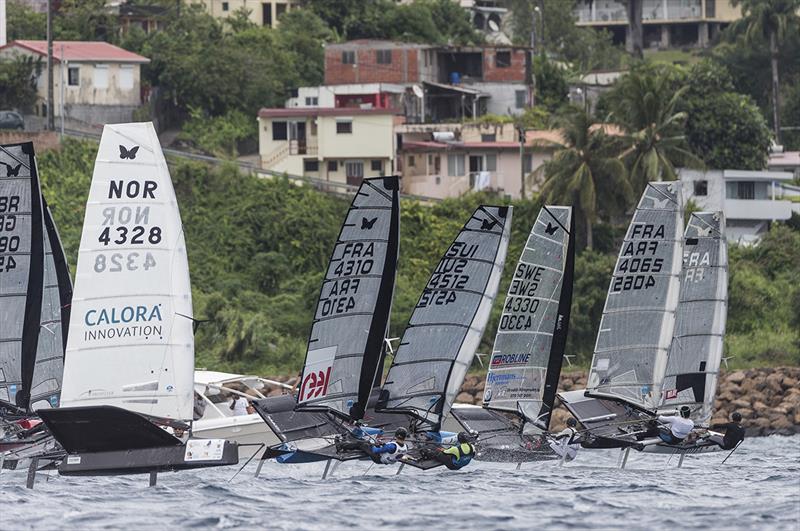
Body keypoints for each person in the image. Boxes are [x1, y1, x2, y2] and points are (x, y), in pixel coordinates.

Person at [337, 427, 409, 465]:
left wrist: (372, 443)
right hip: (385, 460)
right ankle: (349, 445)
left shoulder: (391, 446)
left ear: (397, 435)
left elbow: (375, 450)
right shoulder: (406, 447)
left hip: (377, 458)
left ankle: (340, 445)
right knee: (366, 444)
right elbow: (394, 453)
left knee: (362, 443)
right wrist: (381, 445)